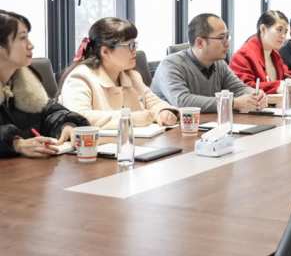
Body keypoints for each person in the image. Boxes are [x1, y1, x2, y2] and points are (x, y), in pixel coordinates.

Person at [59, 18, 179, 130]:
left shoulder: (132, 76)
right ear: (105, 52)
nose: (135, 50)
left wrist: (163, 112)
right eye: (130, 45)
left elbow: (154, 103)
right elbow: (78, 117)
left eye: (135, 44)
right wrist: (128, 119)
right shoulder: (79, 78)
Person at [0, 10, 88, 158]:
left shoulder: (23, 83)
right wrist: (16, 143)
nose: (31, 45)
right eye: (22, 38)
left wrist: (66, 125)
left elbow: (49, 113)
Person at [152, 14, 267, 112]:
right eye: (222, 38)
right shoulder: (170, 65)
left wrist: (256, 94)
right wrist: (232, 103)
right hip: (172, 129)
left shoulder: (219, 64)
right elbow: (182, 101)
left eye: (227, 37)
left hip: (207, 126)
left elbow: (238, 88)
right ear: (200, 43)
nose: (227, 43)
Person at [230, 10, 291, 94]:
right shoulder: (243, 55)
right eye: (279, 30)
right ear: (263, 29)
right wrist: (283, 86)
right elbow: (244, 88)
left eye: (285, 32)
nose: (283, 36)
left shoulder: (275, 54)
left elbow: (287, 74)